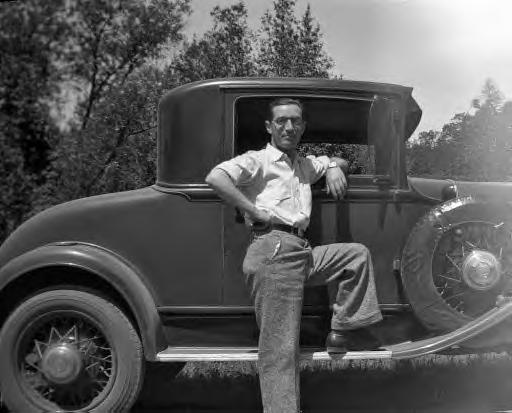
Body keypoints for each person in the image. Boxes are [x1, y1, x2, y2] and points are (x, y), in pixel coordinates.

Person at [205, 98, 382, 413]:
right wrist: (252, 210)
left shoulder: (304, 164)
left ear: (303, 126)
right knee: (280, 349)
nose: (289, 126)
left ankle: (340, 331)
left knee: (356, 255)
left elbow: (340, 162)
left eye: (296, 121)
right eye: (282, 120)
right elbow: (216, 177)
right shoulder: (258, 160)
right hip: (273, 249)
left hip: (303, 252)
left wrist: (330, 167)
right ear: (269, 126)